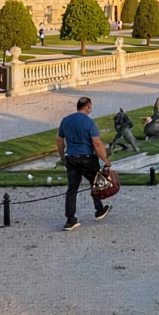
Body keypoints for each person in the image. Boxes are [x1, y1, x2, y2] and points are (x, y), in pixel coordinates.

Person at [57, 96, 111, 230]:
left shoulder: (66, 120)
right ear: (88, 106)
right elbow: (97, 143)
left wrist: (63, 157)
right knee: (95, 183)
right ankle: (98, 209)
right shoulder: (89, 122)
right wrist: (105, 160)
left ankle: (70, 220)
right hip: (87, 158)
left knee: (72, 188)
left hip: (71, 157)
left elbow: (59, 141)